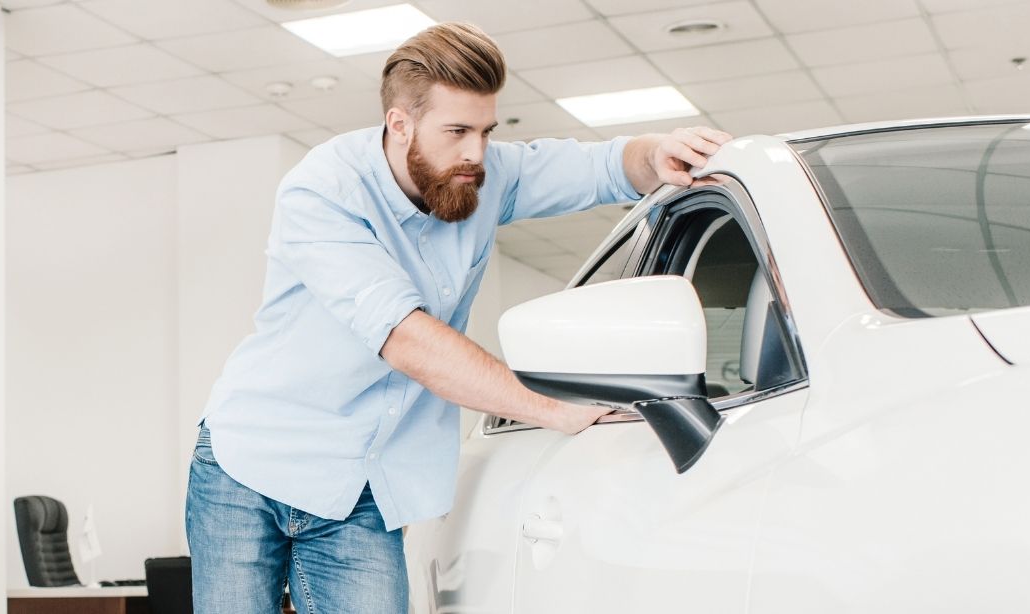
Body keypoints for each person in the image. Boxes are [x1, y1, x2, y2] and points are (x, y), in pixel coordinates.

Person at [185, 22, 732, 613]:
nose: (476, 151)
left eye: (485, 130)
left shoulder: (480, 176)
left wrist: (656, 152)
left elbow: (601, 167)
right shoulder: (323, 192)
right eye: (457, 131)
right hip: (251, 468)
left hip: (362, 485)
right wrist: (552, 409)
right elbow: (407, 340)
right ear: (400, 123)